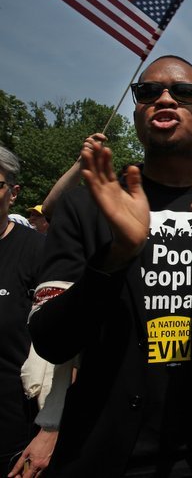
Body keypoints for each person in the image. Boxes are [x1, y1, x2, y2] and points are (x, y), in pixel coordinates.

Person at [27, 55, 192, 477]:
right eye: (148, 92)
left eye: (183, 92)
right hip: (108, 455)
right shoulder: (87, 207)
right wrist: (115, 256)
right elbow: (51, 340)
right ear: (137, 111)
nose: (164, 98)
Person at [0, 146, 45, 468]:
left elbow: (68, 357)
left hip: (17, 438)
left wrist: (50, 431)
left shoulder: (39, 252)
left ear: (13, 193)